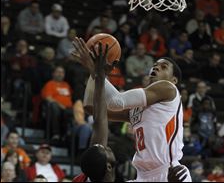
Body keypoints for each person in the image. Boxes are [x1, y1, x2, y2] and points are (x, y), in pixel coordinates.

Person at [72, 37, 192, 182]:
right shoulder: (137, 109)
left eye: (164, 66)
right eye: (154, 65)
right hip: (141, 176)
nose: (156, 67)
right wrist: (95, 72)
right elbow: (93, 108)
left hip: (169, 173)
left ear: (174, 80)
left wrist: (95, 70)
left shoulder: (168, 88)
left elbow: (117, 101)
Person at [73, 42, 116, 182]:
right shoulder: (82, 177)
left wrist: (97, 74)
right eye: (104, 149)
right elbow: (100, 120)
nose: (106, 146)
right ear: (108, 167)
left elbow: (99, 119)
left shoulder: (88, 174)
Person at [41, 66, 73, 140]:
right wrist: (60, 105)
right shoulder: (50, 84)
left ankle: (67, 135)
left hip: (68, 108)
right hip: (57, 108)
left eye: (62, 72)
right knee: (54, 107)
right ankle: (56, 134)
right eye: (58, 72)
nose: (60, 74)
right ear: (53, 74)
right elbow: (48, 98)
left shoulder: (66, 85)